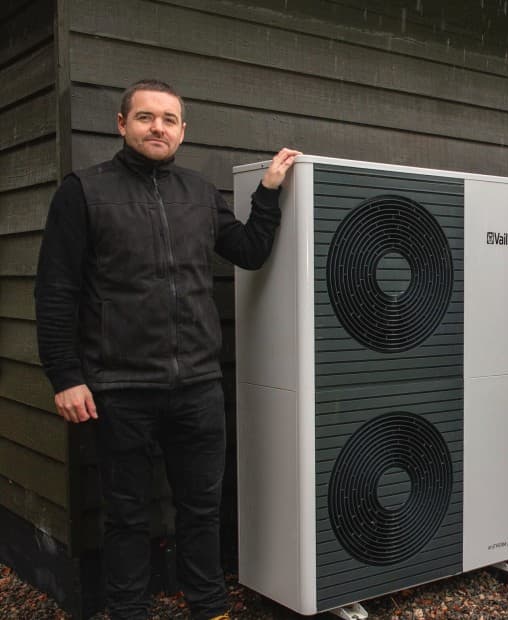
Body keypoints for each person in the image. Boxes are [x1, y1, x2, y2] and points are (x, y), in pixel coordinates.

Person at [34, 78, 301, 620]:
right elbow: (55, 288)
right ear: (122, 124)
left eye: (169, 119)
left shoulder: (200, 194)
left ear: (183, 130)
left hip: (198, 386)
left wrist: (269, 192)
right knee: (127, 516)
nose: (158, 127)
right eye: (146, 117)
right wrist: (65, 374)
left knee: (202, 510)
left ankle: (209, 606)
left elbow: (248, 251)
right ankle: (129, 610)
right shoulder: (83, 191)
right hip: (119, 387)